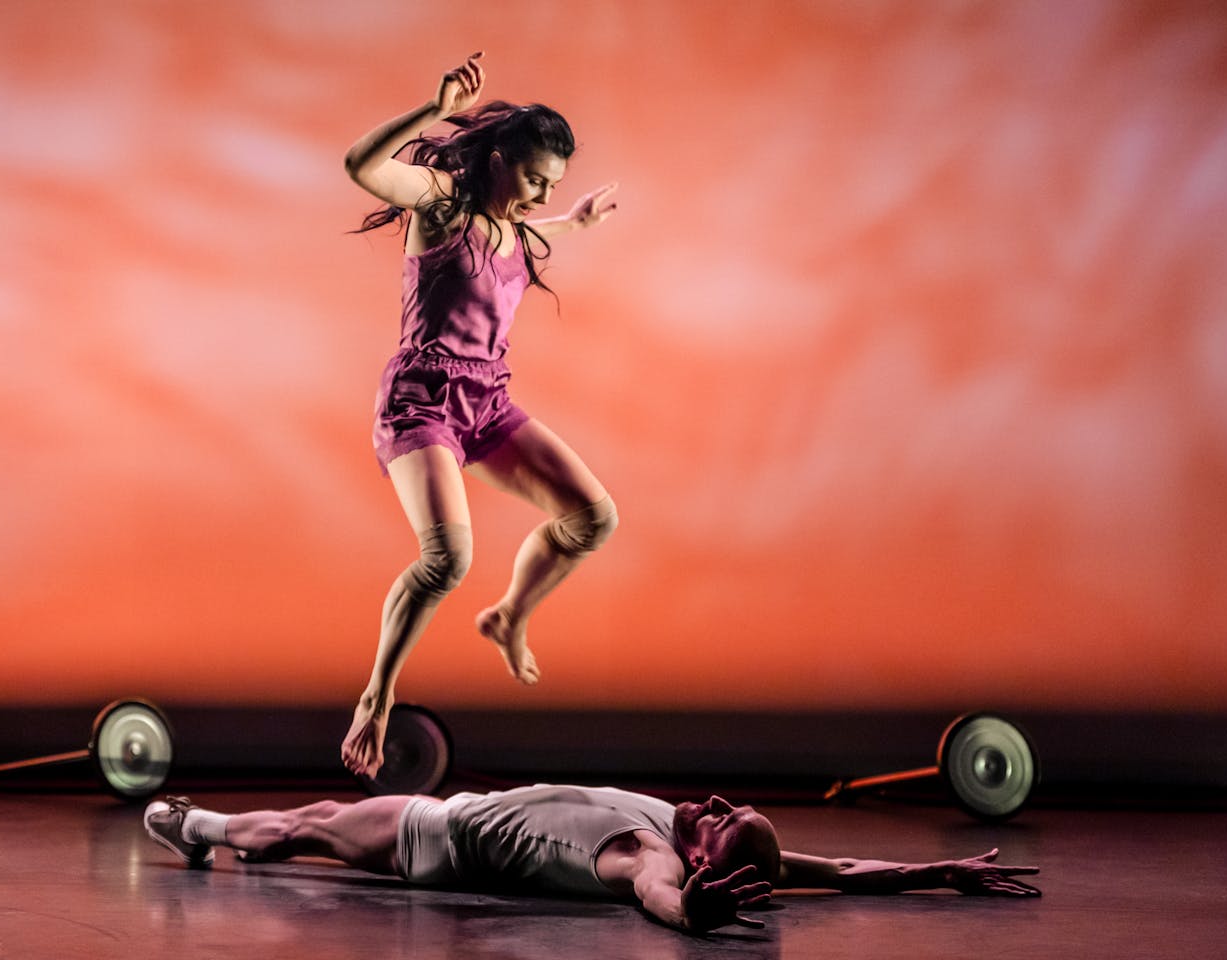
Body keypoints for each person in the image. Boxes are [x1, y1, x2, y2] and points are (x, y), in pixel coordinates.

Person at [339, 52, 621, 780]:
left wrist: (576, 221)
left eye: (551, 186)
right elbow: (359, 165)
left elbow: (532, 237)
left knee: (593, 518)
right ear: (497, 162)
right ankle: (377, 695)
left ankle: (509, 617)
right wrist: (430, 110)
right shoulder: (442, 208)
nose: (539, 196)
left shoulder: (520, 232)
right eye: (533, 180)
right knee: (448, 560)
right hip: (420, 403)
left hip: (488, 403)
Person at [144, 785, 1041, 935]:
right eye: (737, 808)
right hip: (452, 820)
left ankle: (200, 829)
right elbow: (838, 870)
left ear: (696, 857)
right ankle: (215, 833)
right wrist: (939, 873)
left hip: (432, 833)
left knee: (313, 824)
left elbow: (650, 891)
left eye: (721, 822)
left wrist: (691, 915)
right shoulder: (687, 831)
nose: (718, 805)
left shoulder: (645, 852)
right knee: (316, 823)